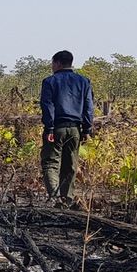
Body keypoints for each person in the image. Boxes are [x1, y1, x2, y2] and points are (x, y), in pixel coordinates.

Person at [40, 50, 94, 208]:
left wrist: (49, 128)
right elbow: (89, 108)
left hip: (57, 128)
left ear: (57, 63)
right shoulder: (84, 81)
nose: (52, 67)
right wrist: (87, 130)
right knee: (70, 165)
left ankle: (56, 198)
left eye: (52, 64)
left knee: (50, 163)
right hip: (76, 129)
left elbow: (48, 106)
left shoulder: (50, 82)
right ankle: (67, 200)